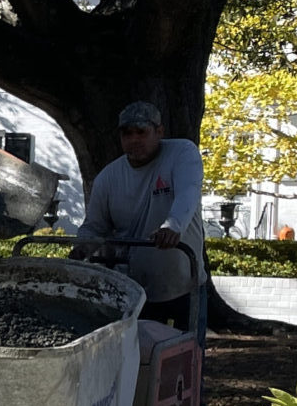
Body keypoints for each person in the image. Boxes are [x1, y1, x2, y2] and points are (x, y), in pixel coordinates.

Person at [76, 101, 206, 328]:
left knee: (187, 357)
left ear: (159, 131)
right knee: (138, 359)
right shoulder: (108, 178)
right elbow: (94, 227)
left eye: (141, 132)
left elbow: (188, 193)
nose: (134, 140)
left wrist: (172, 227)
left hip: (185, 286)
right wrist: (81, 248)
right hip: (132, 290)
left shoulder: (183, 153)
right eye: (127, 134)